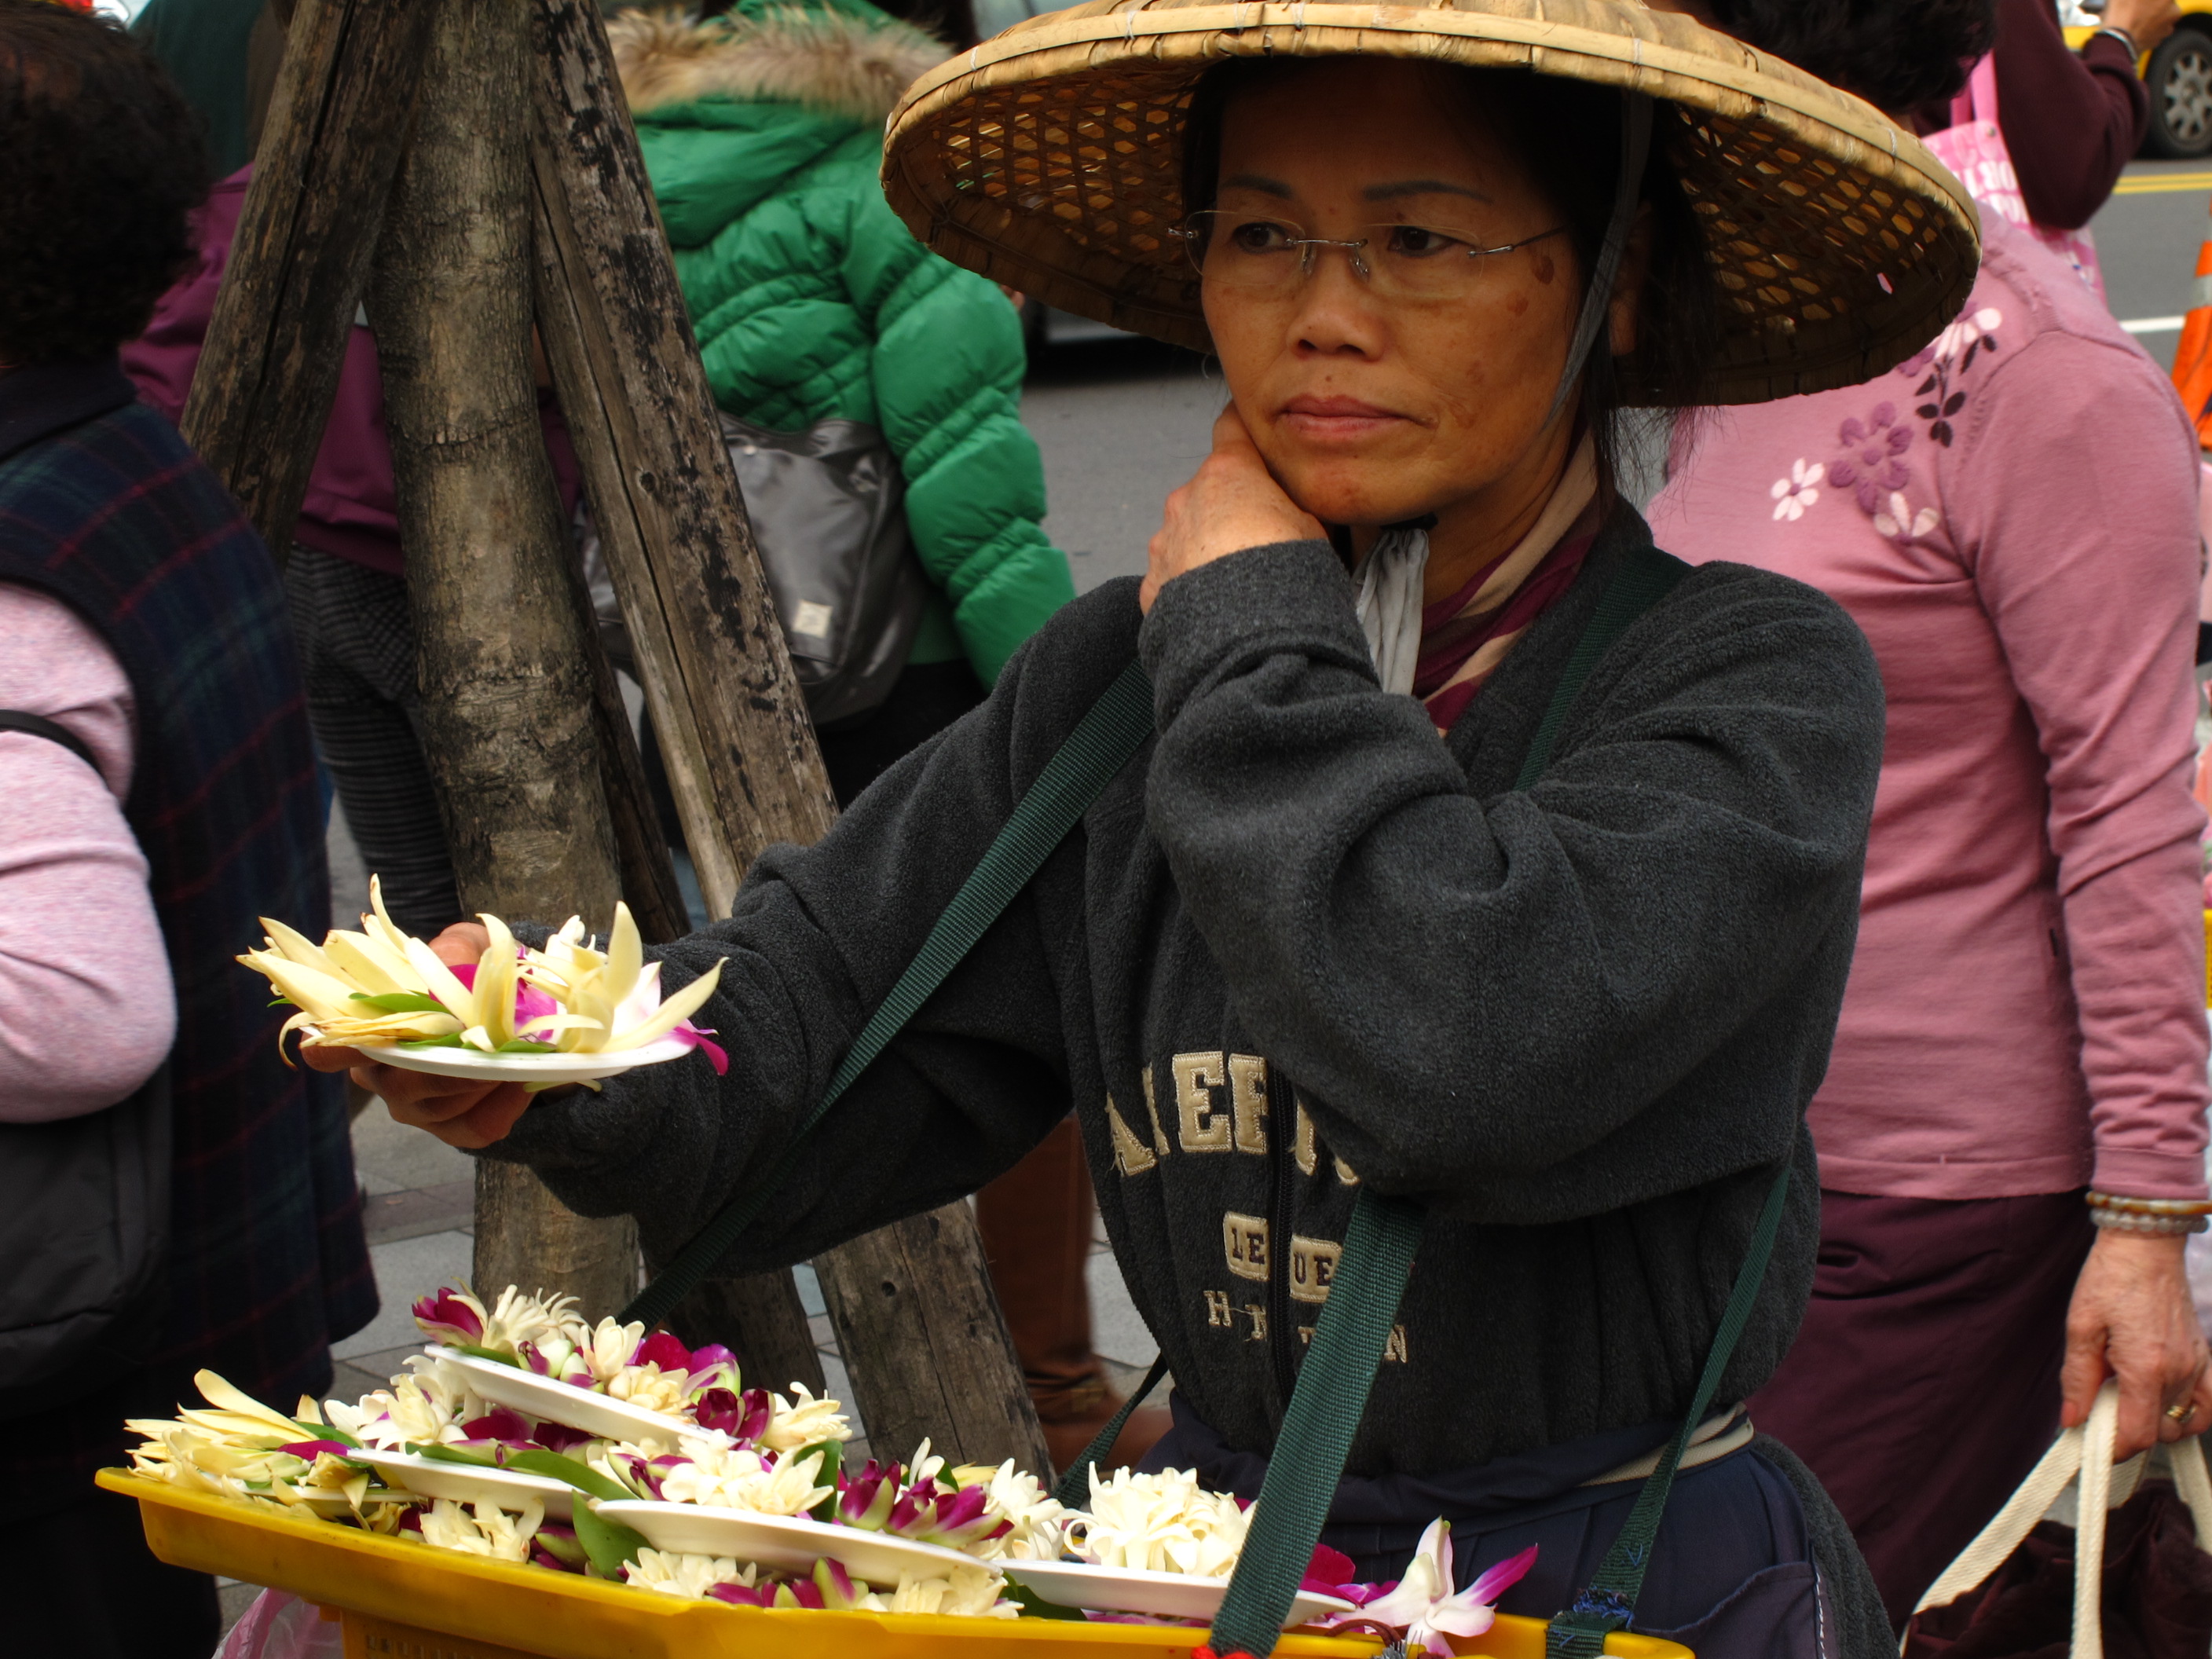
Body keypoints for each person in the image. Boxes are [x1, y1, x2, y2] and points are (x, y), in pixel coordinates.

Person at [317, 2, 1986, 1650]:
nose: (1322, 315)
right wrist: (543, 1056)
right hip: (1219, 1576)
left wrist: (1253, 622)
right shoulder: (1122, 684)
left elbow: (1461, 1053)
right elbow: (817, 1010)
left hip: (1609, 1592)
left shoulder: (1744, 685)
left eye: (1417, 239)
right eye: (1262, 235)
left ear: (1611, 283)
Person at [1651, 0, 2212, 1629]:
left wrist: (2143, 1230)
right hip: (1735, 1156)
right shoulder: (1731, 315)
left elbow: (2129, 814)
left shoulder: (2024, 368)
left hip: (1943, 1212)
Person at [605, 0, 1133, 1467]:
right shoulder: (892, 165)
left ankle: (725, 1408)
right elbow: (965, 470)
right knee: (1018, 1011)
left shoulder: (620, 158)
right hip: (909, 674)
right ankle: (1054, 1389)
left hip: (705, 665)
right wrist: (1075, 697)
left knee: (742, 1007)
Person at [0, 5, 374, 1655]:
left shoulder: (17, 565)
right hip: (207, 1266)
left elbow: (82, 1010)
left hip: (70, 1330)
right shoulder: (125, 456)